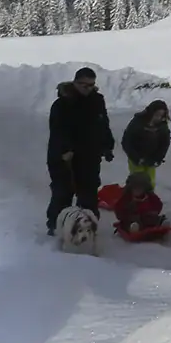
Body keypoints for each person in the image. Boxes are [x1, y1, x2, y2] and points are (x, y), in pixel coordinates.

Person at [46, 67, 114, 236]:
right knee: (63, 192)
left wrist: (107, 145)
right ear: (75, 83)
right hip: (64, 157)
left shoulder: (97, 101)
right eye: (84, 85)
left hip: (89, 155)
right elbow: (57, 131)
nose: (88, 89)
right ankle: (56, 225)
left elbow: (102, 123)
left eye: (91, 85)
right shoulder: (62, 104)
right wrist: (65, 150)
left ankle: (88, 227)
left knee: (89, 193)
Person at [120, 100, 171, 190]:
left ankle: (148, 200)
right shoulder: (137, 122)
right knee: (137, 181)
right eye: (157, 115)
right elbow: (127, 141)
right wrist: (136, 158)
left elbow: (164, 144)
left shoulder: (162, 126)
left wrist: (158, 158)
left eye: (161, 115)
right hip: (136, 158)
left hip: (151, 159)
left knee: (150, 183)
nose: (158, 118)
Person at [113, 171, 168, 239]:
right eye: (135, 188)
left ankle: (162, 222)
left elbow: (158, 205)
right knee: (131, 221)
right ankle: (133, 228)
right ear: (130, 188)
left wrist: (153, 211)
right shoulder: (127, 197)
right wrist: (124, 214)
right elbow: (118, 208)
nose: (137, 190)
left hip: (146, 217)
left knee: (152, 218)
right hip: (132, 218)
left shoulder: (149, 196)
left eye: (140, 188)